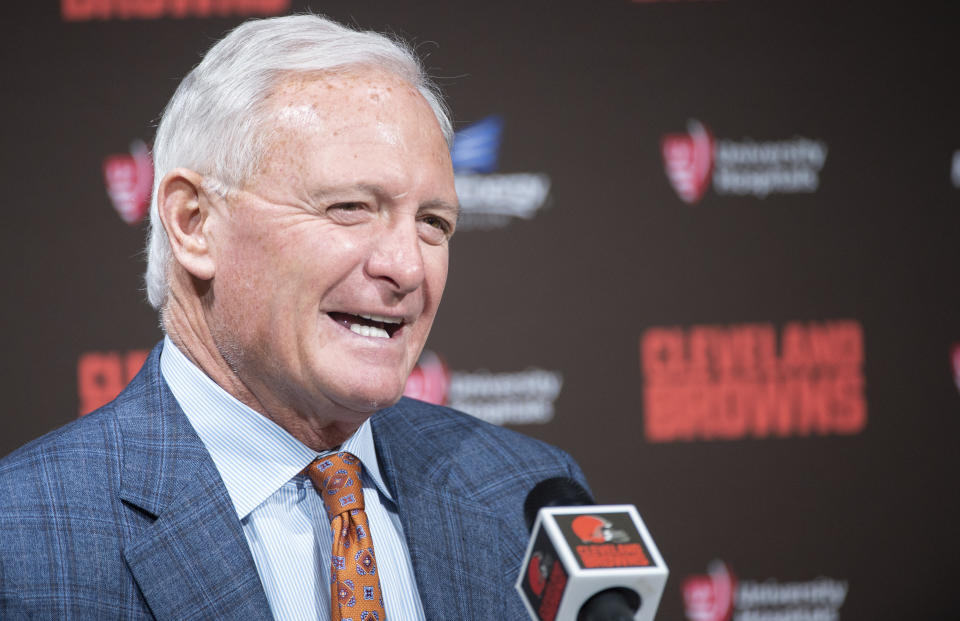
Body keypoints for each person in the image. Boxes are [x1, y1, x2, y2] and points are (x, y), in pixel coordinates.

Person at [0, 13, 588, 620]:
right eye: (351, 207)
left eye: (433, 223)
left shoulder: (527, 498)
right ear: (194, 222)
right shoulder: (21, 542)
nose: (408, 268)